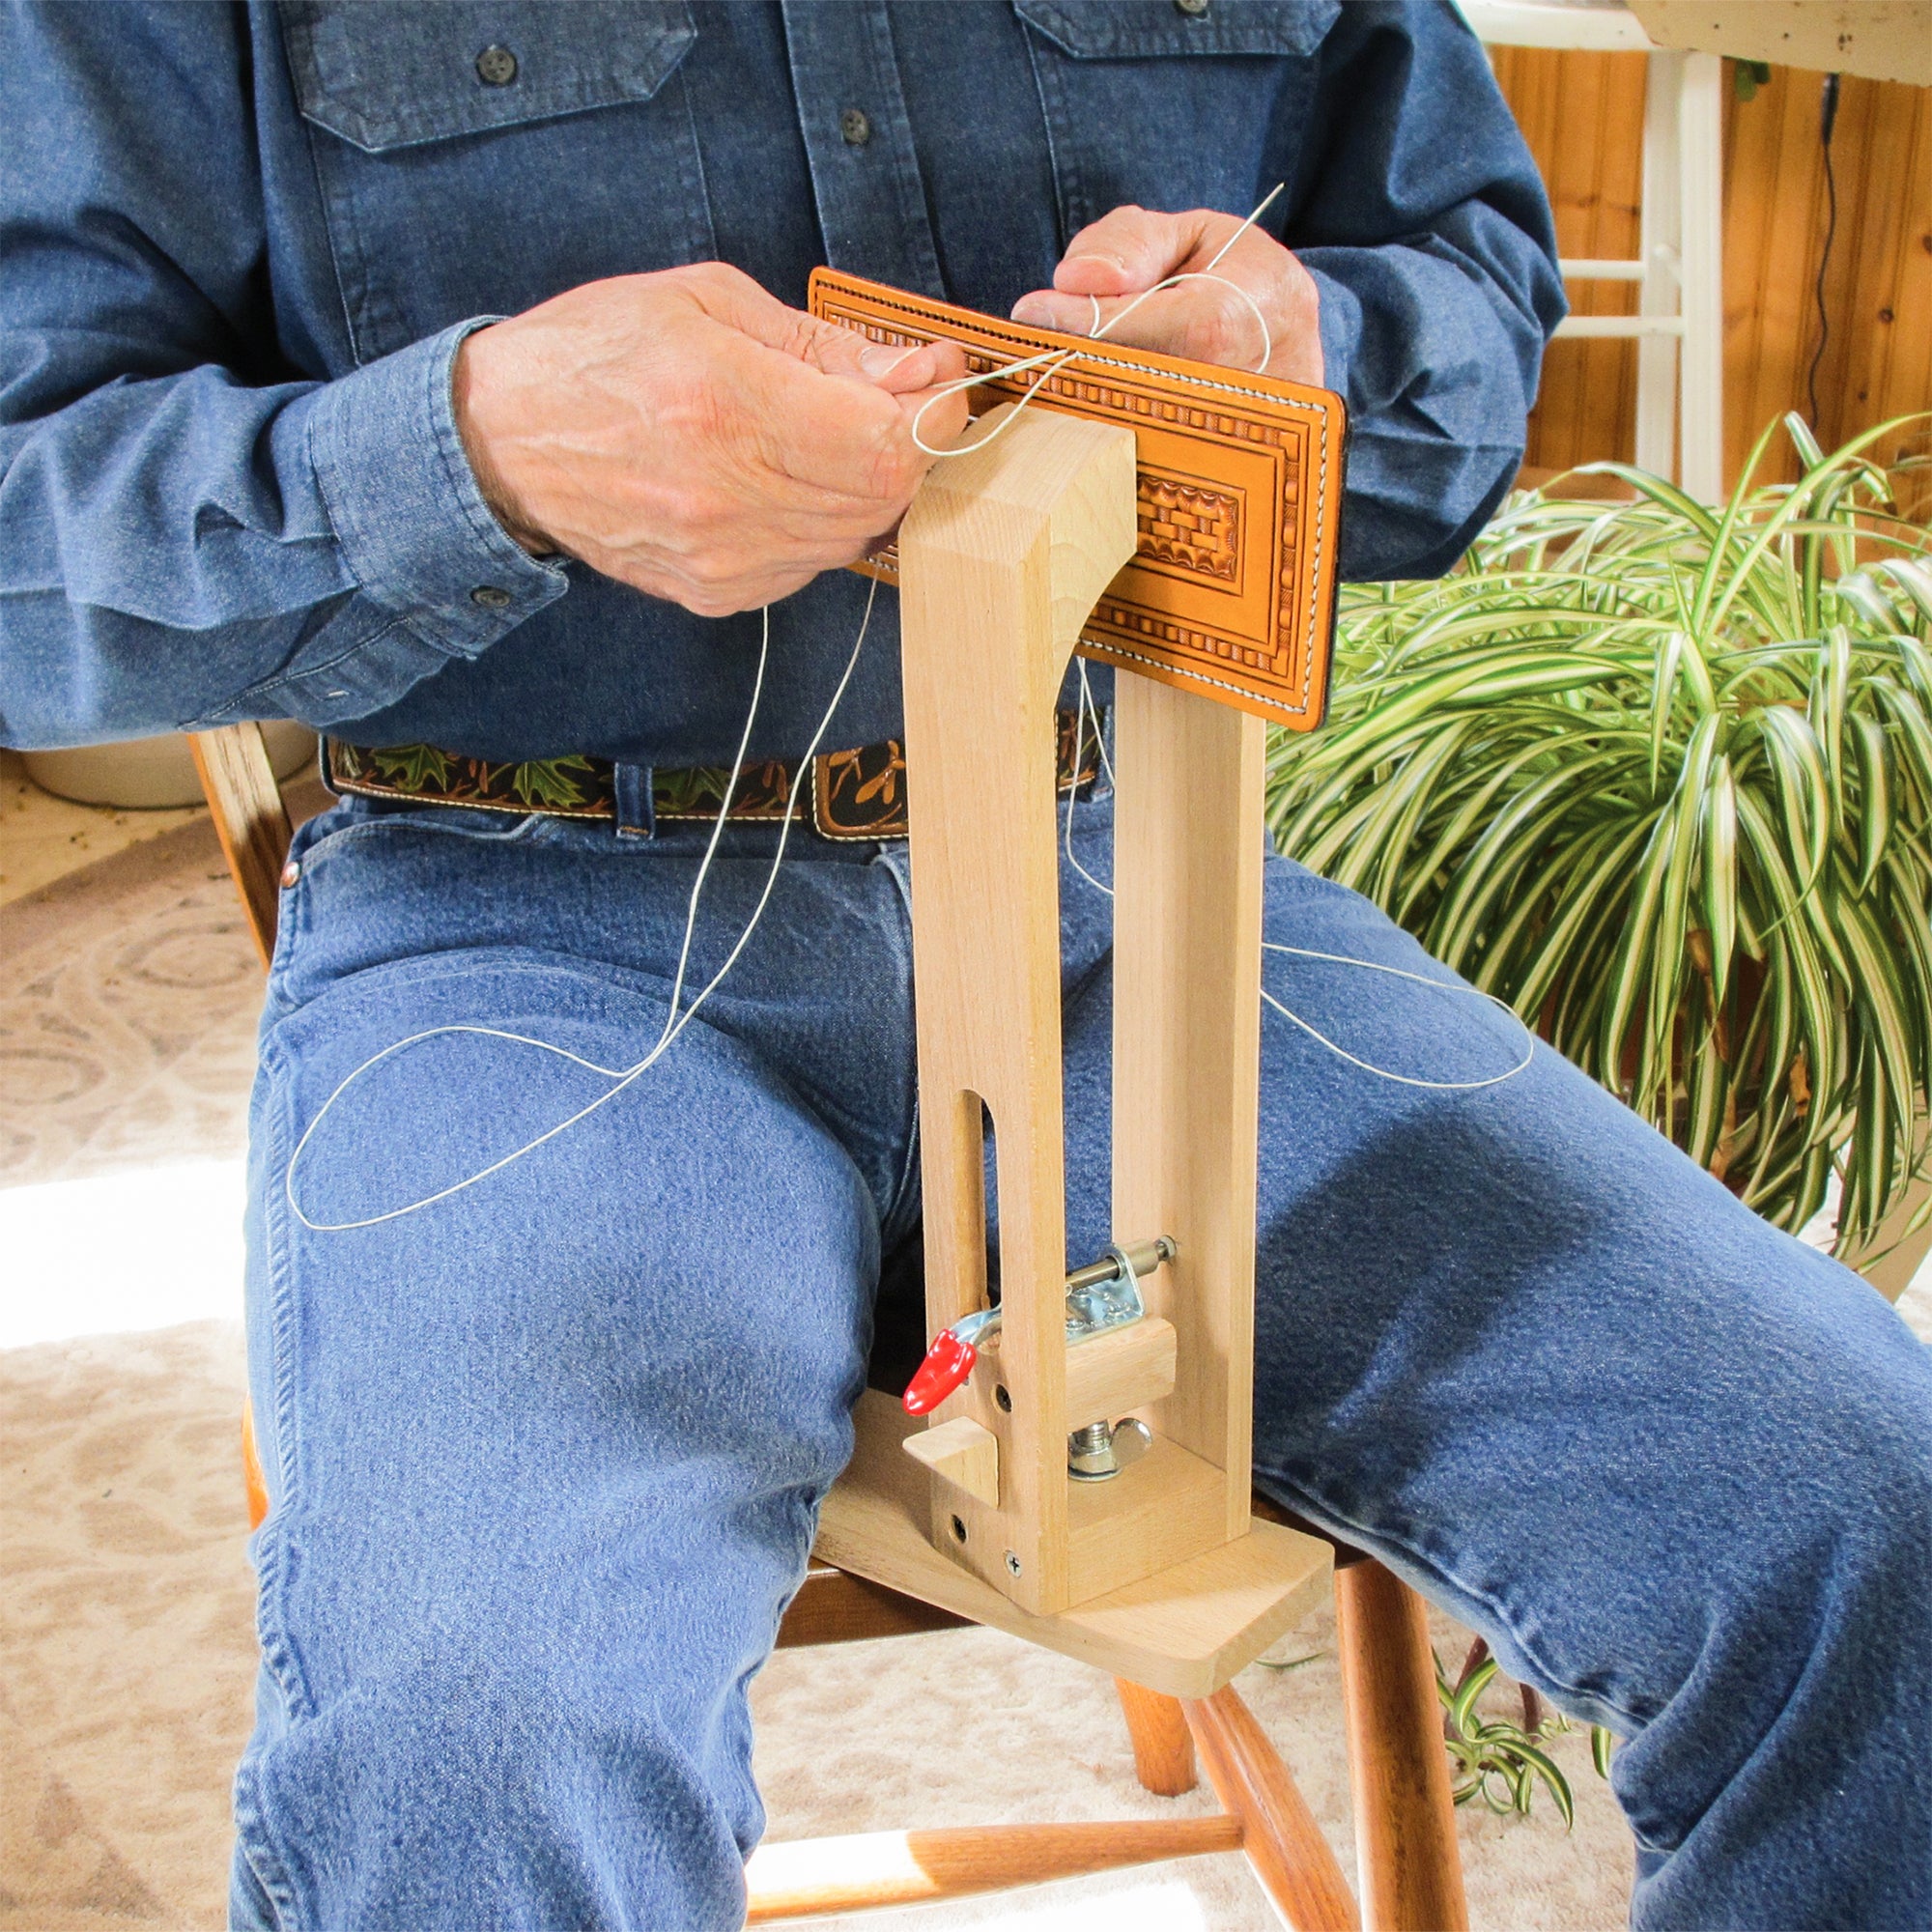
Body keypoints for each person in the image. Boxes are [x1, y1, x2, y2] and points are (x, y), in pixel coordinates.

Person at [3, 4, 1925, 1927]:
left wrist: (1309, 344)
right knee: (475, 1754)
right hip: (523, 920)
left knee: (1877, 1525)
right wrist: (475, 447)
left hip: (1129, 891)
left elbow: (1470, 315)